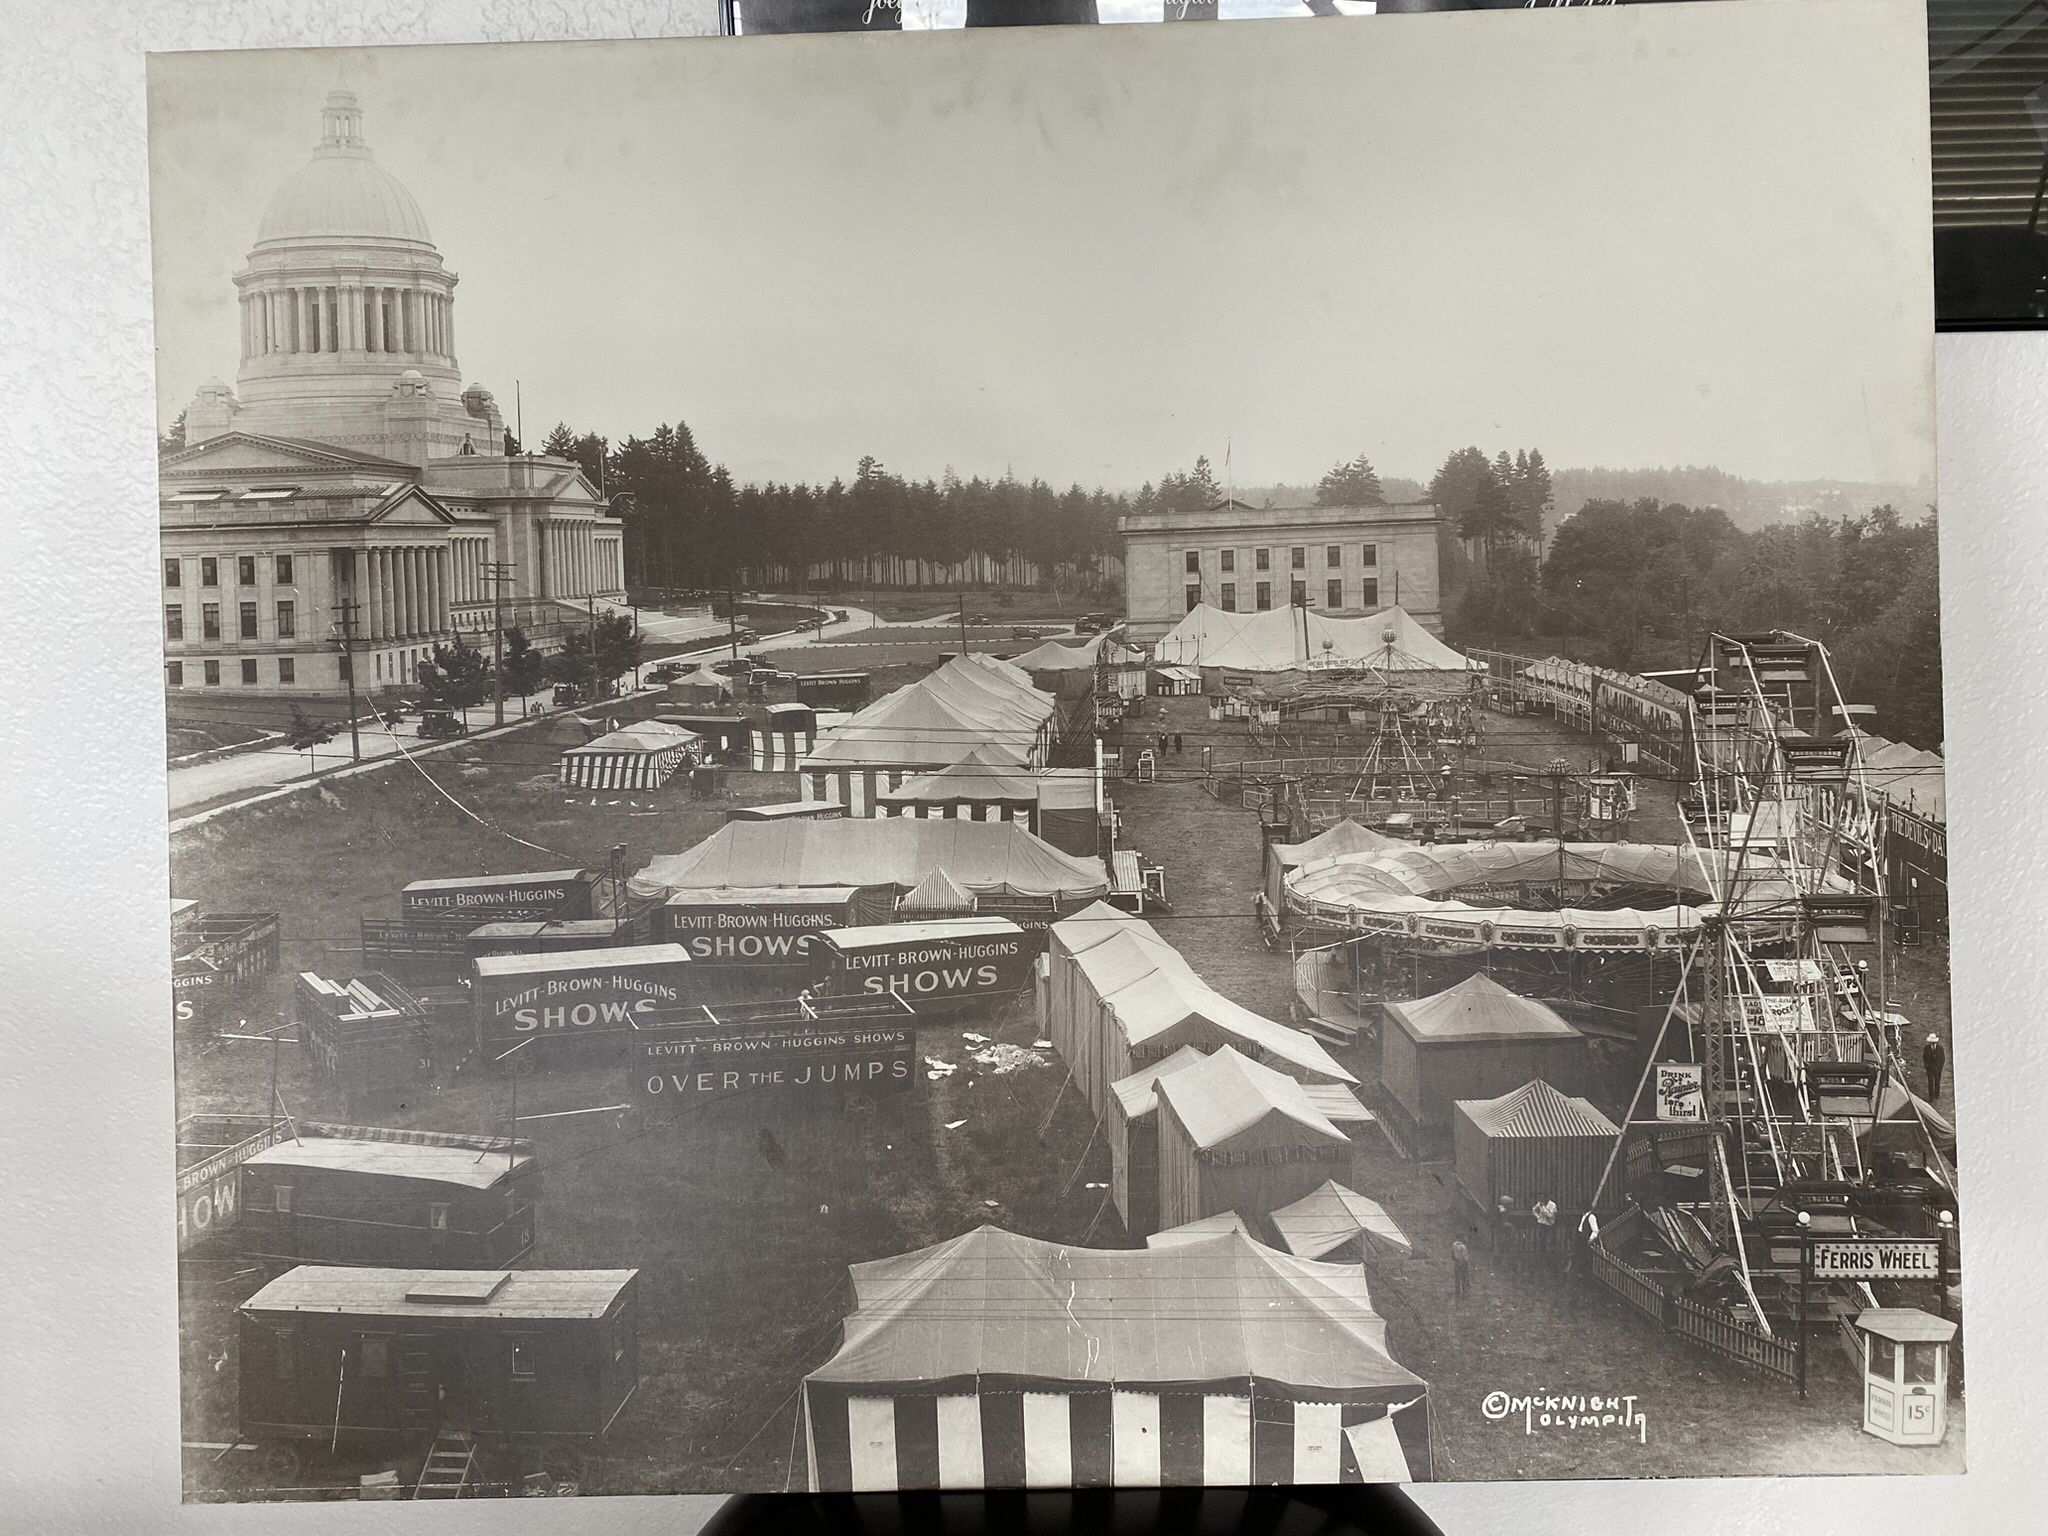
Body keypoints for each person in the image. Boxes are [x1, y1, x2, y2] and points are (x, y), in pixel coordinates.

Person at [1532, 1195, 1559, 1269]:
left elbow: (1550, 1215)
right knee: (1541, 1241)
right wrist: (1538, 1217)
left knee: (1549, 1241)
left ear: (1547, 1198)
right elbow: (1533, 1209)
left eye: (1543, 1198)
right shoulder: (1540, 1203)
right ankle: (1542, 1258)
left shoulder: (1552, 1205)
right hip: (1542, 1224)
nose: (1542, 1200)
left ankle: (1551, 1259)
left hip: (1549, 1225)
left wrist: (1543, 1208)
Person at [1924, 1032, 1947, 1098]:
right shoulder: (1926, 1048)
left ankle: (1937, 1095)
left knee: (1937, 1081)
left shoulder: (1940, 1049)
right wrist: (1927, 1067)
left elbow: (1942, 1059)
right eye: (1931, 1042)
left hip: (1938, 1068)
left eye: (1934, 1042)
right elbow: (1924, 1058)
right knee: (1930, 1082)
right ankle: (1931, 1096)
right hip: (1930, 1069)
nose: (1933, 1043)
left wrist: (1940, 1068)